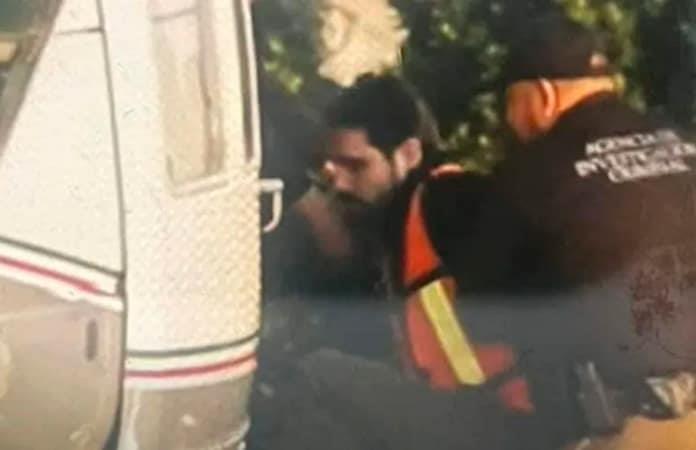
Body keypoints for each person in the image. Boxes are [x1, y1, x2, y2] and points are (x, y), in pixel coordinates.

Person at [471, 13, 696, 450]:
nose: (508, 120)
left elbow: (485, 311)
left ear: (542, 95)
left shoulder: (530, 172)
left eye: (509, 103)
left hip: (637, 424)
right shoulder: (685, 142)